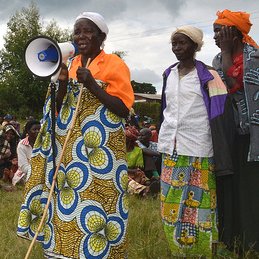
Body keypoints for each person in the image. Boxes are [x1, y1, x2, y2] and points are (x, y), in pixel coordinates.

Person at [17, 11, 134, 258]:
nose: (80, 36)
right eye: (77, 31)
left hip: (101, 155)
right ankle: (64, 250)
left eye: (87, 30)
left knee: (100, 202)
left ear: (101, 36)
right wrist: (61, 81)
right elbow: (59, 110)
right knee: (68, 200)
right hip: (71, 153)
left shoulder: (114, 64)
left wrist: (92, 84)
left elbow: (123, 109)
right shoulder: (71, 64)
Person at [158, 25, 233, 258]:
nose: (177, 48)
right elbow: (165, 109)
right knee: (169, 203)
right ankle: (177, 250)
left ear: (195, 46)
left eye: (182, 43)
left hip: (198, 147)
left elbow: (220, 114)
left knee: (198, 206)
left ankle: (201, 251)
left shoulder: (209, 75)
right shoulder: (168, 74)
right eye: (174, 44)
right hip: (170, 147)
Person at [213, 10, 259, 253]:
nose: (215, 38)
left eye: (219, 32)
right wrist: (226, 53)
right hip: (231, 135)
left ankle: (253, 243)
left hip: (254, 137)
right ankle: (235, 242)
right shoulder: (218, 61)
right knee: (233, 190)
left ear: (234, 34)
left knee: (252, 190)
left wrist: (227, 53)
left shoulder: (256, 58)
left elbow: (233, 85)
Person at [12, 120, 41, 185]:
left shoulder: (45, 143)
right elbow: (23, 166)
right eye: (34, 129)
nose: (37, 131)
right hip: (27, 172)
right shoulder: (22, 145)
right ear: (28, 131)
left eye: (39, 129)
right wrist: (38, 172)